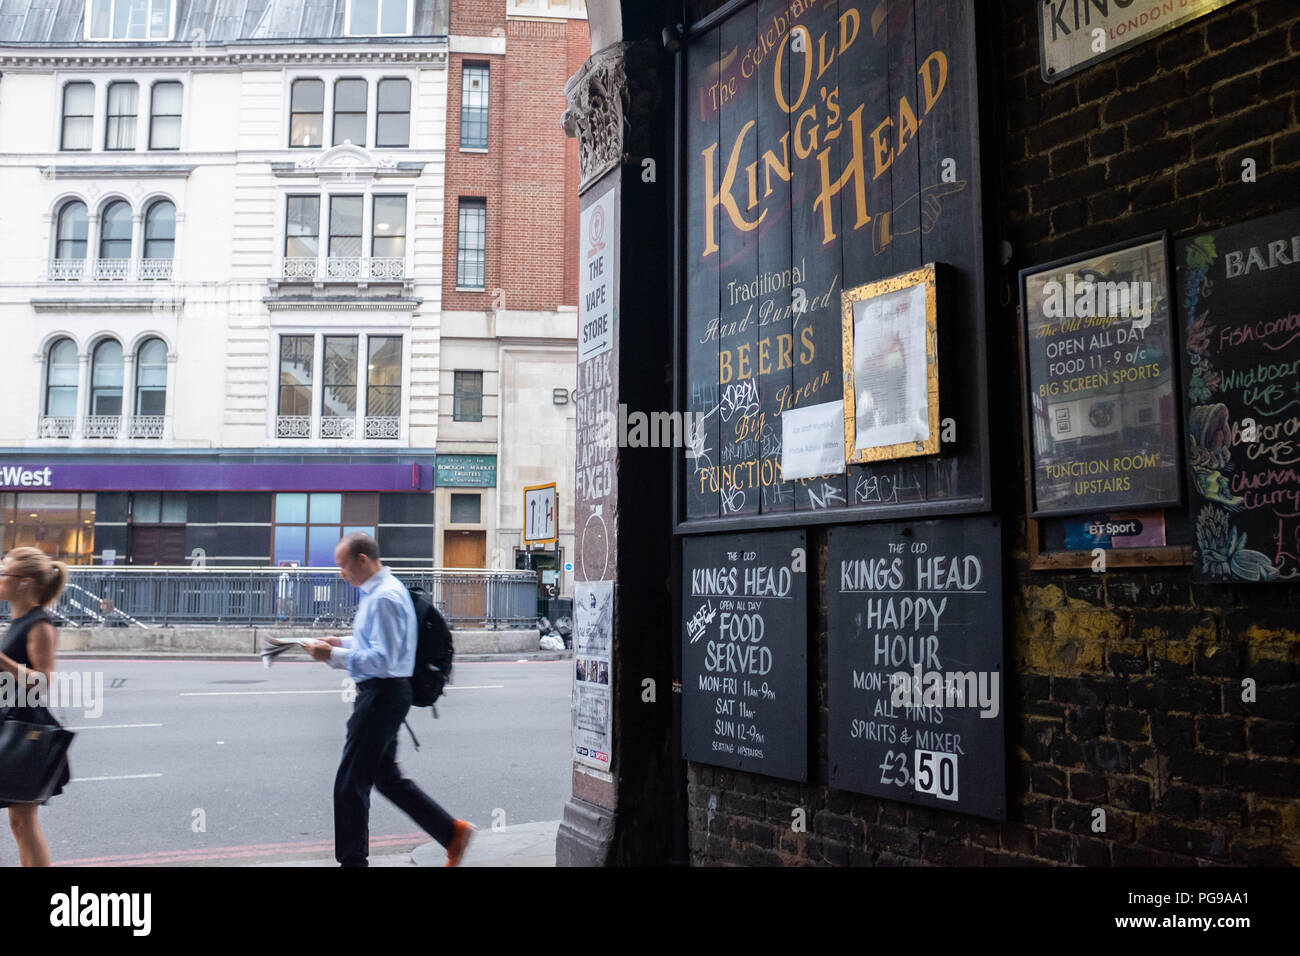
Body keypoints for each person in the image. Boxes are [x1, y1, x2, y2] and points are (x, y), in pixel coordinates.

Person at [303, 533, 474, 867]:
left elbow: (383, 659)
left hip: (382, 695)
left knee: (350, 783)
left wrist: (332, 655)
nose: (341, 573)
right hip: (386, 694)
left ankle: (353, 863)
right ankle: (451, 833)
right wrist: (340, 641)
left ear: (362, 560)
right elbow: (373, 642)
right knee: (385, 778)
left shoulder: (384, 596)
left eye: (342, 565)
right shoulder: (381, 591)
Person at [0, 547, 71, 867]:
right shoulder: (18, 620)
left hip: (23, 735)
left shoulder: (39, 625)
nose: (0, 578)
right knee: (21, 823)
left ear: (25, 583)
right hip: (9, 725)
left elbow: (42, 682)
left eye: (5, 573)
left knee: (23, 823)